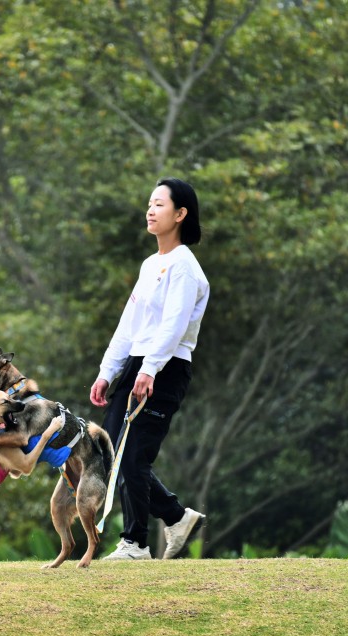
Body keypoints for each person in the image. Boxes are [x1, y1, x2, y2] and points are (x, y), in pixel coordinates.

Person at [90, 177, 209, 561]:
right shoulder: (149, 265)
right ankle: (175, 516)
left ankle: (136, 543)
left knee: (134, 455)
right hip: (138, 366)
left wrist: (151, 370)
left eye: (159, 204)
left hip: (166, 368)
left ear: (180, 214)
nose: (150, 210)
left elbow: (173, 327)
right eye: (150, 203)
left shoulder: (185, 267)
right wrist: (108, 372)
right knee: (110, 453)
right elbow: (130, 325)